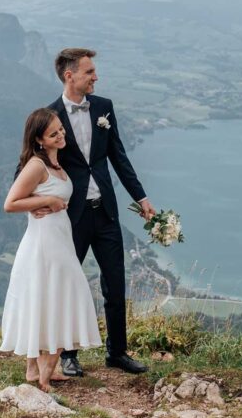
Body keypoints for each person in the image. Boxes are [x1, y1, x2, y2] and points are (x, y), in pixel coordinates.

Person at [37, 48, 155, 377]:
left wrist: (141, 197)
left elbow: (118, 156)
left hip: (105, 211)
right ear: (69, 75)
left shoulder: (104, 108)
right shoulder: (49, 116)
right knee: (68, 285)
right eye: (89, 72)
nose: (96, 77)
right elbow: (35, 163)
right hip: (69, 215)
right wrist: (37, 202)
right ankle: (68, 355)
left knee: (115, 285)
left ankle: (117, 352)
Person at [0, 108, 102, 391]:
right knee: (65, 296)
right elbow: (10, 203)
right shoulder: (36, 165)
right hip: (45, 244)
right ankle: (44, 377)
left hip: (58, 240)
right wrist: (47, 204)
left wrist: (47, 202)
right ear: (39, 140)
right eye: (53, 133)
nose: (61, 135)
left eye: (61, 129)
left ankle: (35, 371)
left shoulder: (56, 164)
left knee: (48, 299)